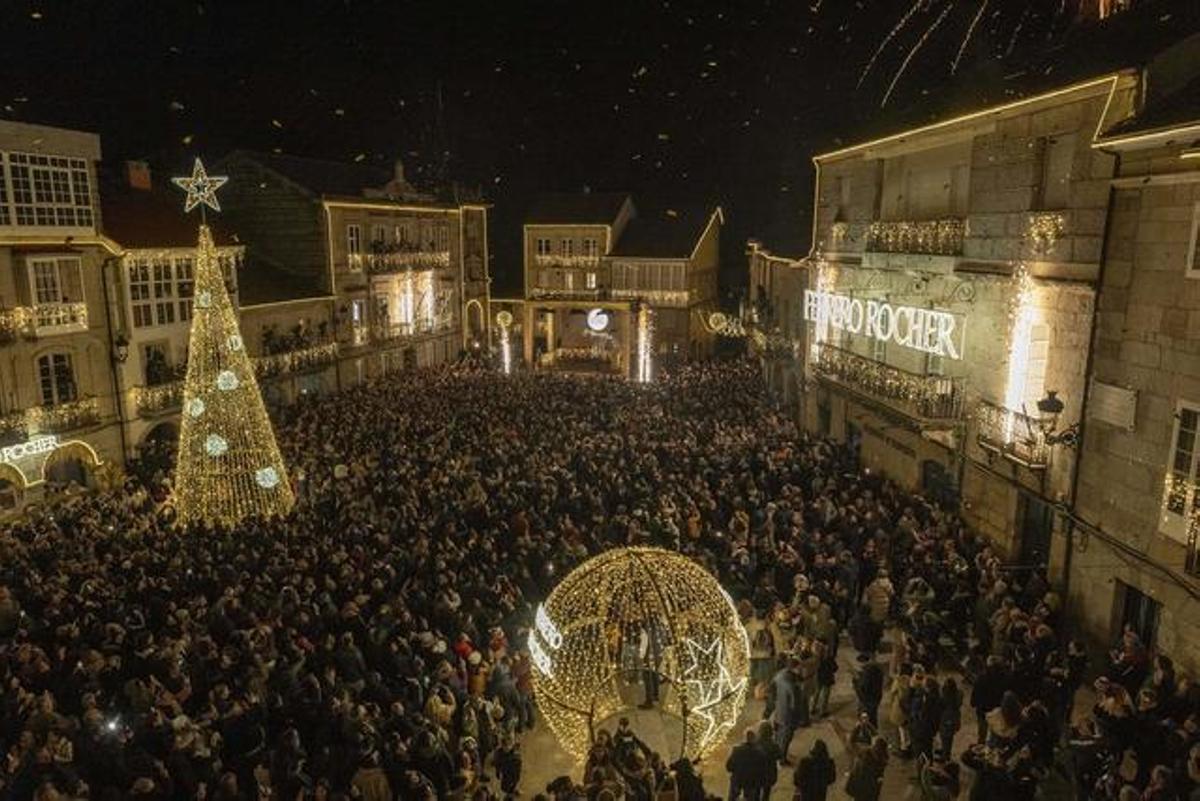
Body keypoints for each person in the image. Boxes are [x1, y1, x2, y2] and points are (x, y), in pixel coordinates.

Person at [726, 728, 767, 801]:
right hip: (751, 783)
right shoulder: (759, 753)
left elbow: (729, 767)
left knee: (732, 797)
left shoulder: (736, 750)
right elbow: (762, 770)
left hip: (737, 780)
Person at [853, 659, 884, 729]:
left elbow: (861, 693)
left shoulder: (867, 679)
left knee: (865, 720)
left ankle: (865, 732)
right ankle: (873, 730)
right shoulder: (878, 674)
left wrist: (855, 682)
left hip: (866, 704)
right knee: (873, 716)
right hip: (875, 700)